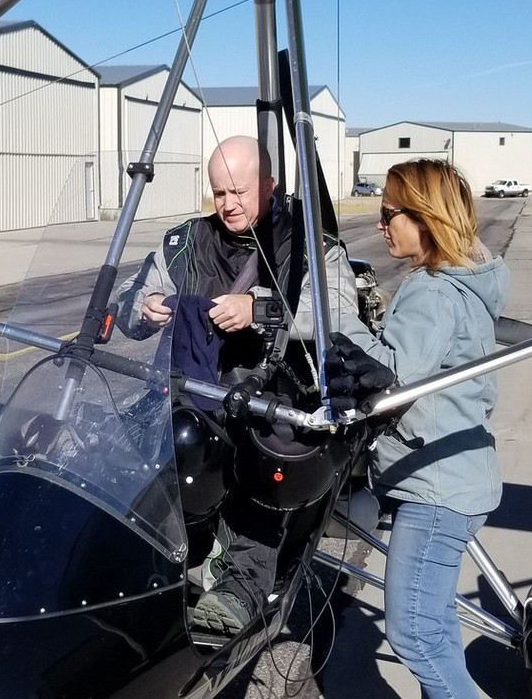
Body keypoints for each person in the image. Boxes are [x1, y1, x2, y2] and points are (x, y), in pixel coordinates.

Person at [115, 134, 359, 633]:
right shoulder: (183, 244)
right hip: (191, 394)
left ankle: (243, 588)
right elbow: (125, 298)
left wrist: (262, 310)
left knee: (263, 461)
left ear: (268, 184)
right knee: (145, 453)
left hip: (273, 398)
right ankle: (174, 562)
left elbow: (342, 317)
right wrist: (141, 309)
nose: (227, 205)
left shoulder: (314, 248)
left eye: (240, 193)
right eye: (218, 193)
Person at [329, 157, 507, 699]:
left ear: (423, 217)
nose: (381, 224)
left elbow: (388, 380)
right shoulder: (464, 282)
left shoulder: (432, 291)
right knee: (437, 630)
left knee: (413, 631)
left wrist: (337, 313)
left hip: (436, 491)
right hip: (451, 476)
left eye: (388, 213)